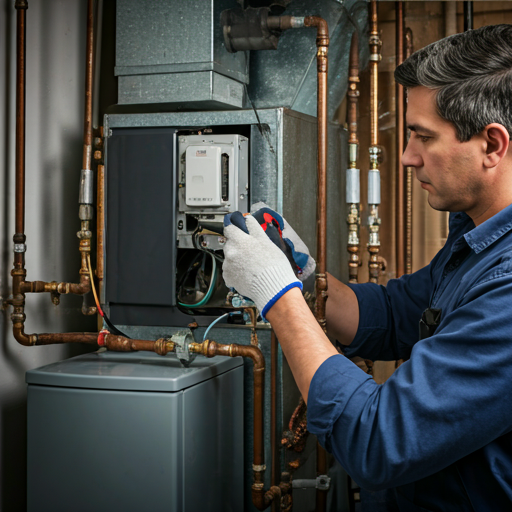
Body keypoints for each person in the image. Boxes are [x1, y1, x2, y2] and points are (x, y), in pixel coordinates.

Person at [222, 24, 512, 511]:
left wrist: (278, 297)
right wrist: (307, 276)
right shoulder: (478, 237)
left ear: (492, 145)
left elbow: (381, 440)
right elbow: (398, 313)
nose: (406, 157)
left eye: (423, 137)